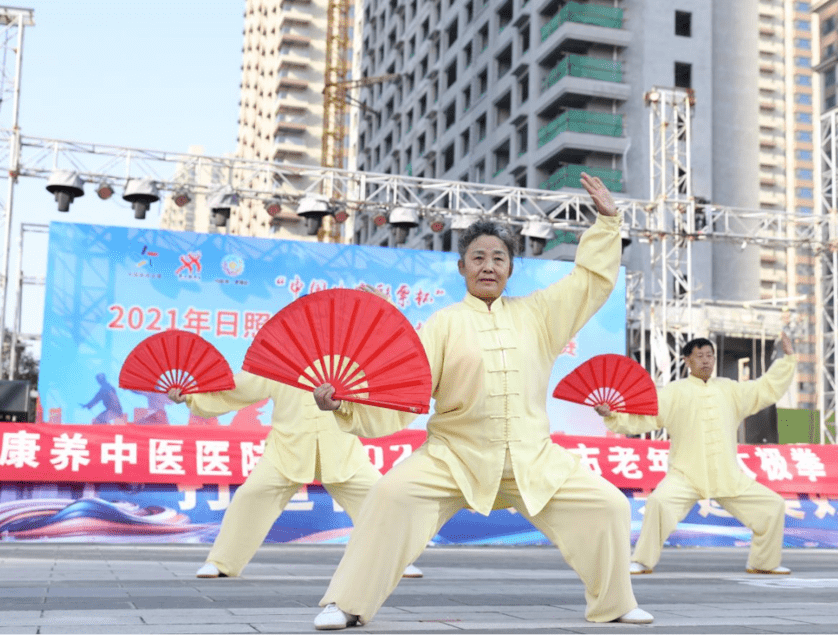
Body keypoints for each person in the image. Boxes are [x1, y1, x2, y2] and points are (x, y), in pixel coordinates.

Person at [310, 173, 651, 629]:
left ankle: (615, 604)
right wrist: (343, 406)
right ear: (462, 268)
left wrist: (608, 223)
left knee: (609, 505)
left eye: (498, 258)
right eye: (477, 258)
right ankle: (347, 604)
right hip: (453, 456)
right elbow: (404, 389)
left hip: (534, 456)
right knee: (389, 495)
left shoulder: (541, 315)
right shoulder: (442, 325)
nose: (488, 266)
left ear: (511, 268)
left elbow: (588, 282)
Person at [167, 372, 423, 579]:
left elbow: (374, 395)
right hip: (286, 449)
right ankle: (222, 562)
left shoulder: (348, 360)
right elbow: (239, 387)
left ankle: (397, 560)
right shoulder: (280, 359)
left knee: (377, 498)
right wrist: (192, 397)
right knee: (251, 496)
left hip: (341, 449)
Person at [596, 334, 796, 576]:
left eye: (710, 356)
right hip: (686, 475)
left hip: (727, 476)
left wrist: (787, 360)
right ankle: (642, 560)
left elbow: (764, 388)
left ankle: (763, 562)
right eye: (699, 356)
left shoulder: (730, 389)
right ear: (686, 361)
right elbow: (644, 416)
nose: (706, 361)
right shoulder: (673, 392)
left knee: (773, 506)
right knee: (659, 503)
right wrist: (612, 416)